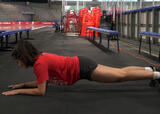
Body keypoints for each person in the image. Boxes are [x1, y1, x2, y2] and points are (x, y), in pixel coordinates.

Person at [2, 40, 160, 96]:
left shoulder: (39, 64)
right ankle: (149, 69)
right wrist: (22, 84)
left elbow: (41, 90)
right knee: (122, 72)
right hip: (82, 64)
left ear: (23, 57)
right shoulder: (40, 60)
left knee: (121, 76)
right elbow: (43, 81)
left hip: (83, 68)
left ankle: (156, 75)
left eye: (18, 61)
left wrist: (18, 91)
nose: (18, 64)